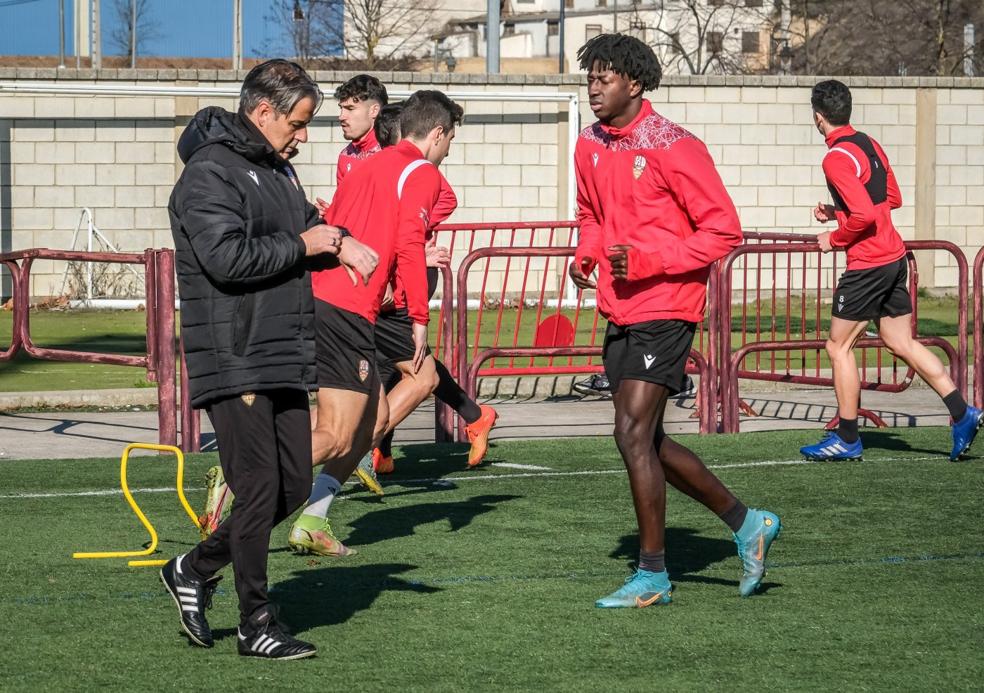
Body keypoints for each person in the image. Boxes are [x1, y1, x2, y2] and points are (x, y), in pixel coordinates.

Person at [163, 59, 377, 659]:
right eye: (298, 123)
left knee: (294, 483)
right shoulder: (207, 173)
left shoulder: (278, 170)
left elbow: (309, 229)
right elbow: (227, 259)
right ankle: (256, 621)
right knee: (258, 488)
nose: (304, 136)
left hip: (283, 349)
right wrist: (307, 243)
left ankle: (192, 568)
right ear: (263, 112)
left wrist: (339, 242)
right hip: (234, 353)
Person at [568, 34, 780, 608]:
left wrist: (648, 261)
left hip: (667, 306)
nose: (593, 88)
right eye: (589, 78)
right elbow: (591, 214)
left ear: (634, 84)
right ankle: (749, 523)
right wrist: (586, 254)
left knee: (631, 433)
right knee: (647, 439)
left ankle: (653, 575)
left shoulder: (676, 146)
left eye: (604, 78)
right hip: (619, 306)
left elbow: (723, 231)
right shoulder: (588, 143)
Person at [286, 90, 464, 557]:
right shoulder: (422, 171)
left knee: (375, 420)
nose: (448, 152)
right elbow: (409, 240)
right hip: (346, 307)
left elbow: (338, 228)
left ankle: (313, 518)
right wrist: (419, 314)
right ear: (438, 133)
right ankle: (241, 476)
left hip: (327, 300)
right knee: (336, 434)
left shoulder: (365, 165)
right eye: (450, 140)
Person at [800, 80, 983, 462]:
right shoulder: (869, 143)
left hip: (868, 265)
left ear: (818, 118)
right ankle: (962, 413)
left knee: (838, 346)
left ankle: (847, 439)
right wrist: (838, 211)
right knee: (900, 342)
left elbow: (865, 215)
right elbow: (891, 199)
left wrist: (834, 237)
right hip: (894, 257)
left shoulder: (835, 158)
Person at [369, 103, 498, 475]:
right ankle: (381, 447)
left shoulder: (412, 165)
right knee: (395, 359)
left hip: (404, 275)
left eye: (350, 107)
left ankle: (370, 444)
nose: (343, 115)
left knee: (407, 359)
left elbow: (439, 202)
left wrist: (414, 233)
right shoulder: (358, 160)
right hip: (381, 274)